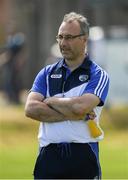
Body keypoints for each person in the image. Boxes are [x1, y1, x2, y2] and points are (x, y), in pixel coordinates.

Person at [25, 12, 109, 179]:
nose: (63, 43)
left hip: (83, 155)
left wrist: (51, 101)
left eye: (69, 37)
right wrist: (75, 115)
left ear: (84, 39)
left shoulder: (98, 74)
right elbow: (31, 109)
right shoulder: (46, 73)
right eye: (60, 37)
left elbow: (81, 107)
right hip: (48, 156)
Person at [1, 21, 26, 104]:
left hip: (15, 63)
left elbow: (17, 51)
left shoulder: (18, 37)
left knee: (15, 81)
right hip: (10, 64)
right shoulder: (10, 38)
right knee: (9, 80)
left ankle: (16, 99)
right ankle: (11, 99)